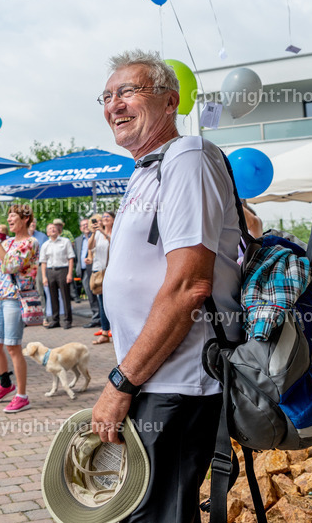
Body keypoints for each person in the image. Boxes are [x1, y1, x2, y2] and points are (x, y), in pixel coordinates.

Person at [90, 50, 241, 523]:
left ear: (170, 101)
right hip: (155, 378)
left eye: (128, 92)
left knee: (157, 516)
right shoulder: (147, 169)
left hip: (179, 383)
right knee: (147, 512)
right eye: (107, 95)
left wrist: (121, 382)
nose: (115, 104)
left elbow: (189, 286)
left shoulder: (187, 157)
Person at [0, 205, 38, 414]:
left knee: (13, 347)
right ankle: (6, 384)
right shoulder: (8, 242)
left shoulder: (31, 243)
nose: (10, 218)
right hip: (0, 298)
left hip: (15, 298)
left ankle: (22, 396)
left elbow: (11, 265)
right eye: (9, 215)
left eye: (13, 215)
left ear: (25, 219)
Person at [39, 222, 75, 329]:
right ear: (47, 232)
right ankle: (55, 320)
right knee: (53, 297)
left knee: (65, 296)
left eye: (54, 228)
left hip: (63, 270)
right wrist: (44, 277)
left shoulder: (65, 242)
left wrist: (69, 273)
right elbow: (43, 262)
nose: (52, 230)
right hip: (50, 271)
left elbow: (71, 258)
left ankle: (68, 320)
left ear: (58, 230)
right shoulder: (45, 245)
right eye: (50, 228)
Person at [89, 213, 114, 345]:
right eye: (103, 217)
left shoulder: (115, 232)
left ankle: (115, 331)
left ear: (113, 220)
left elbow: (113, 242)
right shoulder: (97, 234)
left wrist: (103, 232)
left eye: (107, 217)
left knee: (114, 303)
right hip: (99, 270)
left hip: (112, 270)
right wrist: (94, 232)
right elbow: (90, 247)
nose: (104, 218)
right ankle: (105, 332)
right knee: (102, 303)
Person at [74, 218, 100, 328]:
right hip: (84, 271)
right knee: (90, 294)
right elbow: (77, 256)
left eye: (86, 224)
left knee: (99, 293)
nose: (85, 226)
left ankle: (102, 319)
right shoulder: (78, 240)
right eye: (83, 225)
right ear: (80, 228)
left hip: (96, 268)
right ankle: (96, 317)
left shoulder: (97, 236)